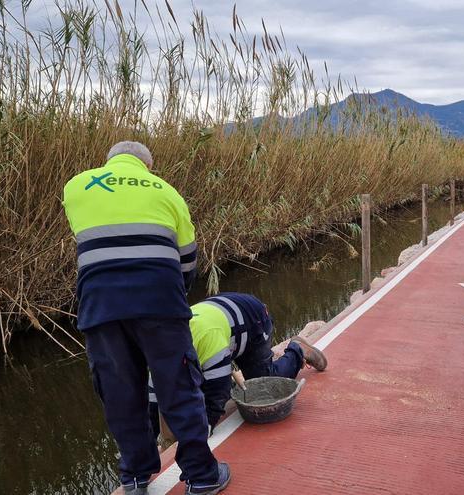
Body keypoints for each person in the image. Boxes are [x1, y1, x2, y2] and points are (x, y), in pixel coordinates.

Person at [62, 141, 229, 495]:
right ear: (147, 167)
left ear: (108, 161)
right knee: (179, 388)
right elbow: (187, 262)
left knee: (121, 393)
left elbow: (86, 238)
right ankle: (202, 477)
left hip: (101, 307)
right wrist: (172, 294)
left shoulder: (77, 185)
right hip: (160, 303)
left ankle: (135, 478)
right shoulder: (168, 192)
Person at [149, 292, 328, 436]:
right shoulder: (156, 350)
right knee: (201, 379)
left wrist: (207, 425)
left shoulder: (206, 339)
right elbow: (152, 403)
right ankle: (220, 368)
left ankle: (298, 350)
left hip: (253, 319)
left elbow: (219, 389)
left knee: (265, 385)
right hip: (221, 316)